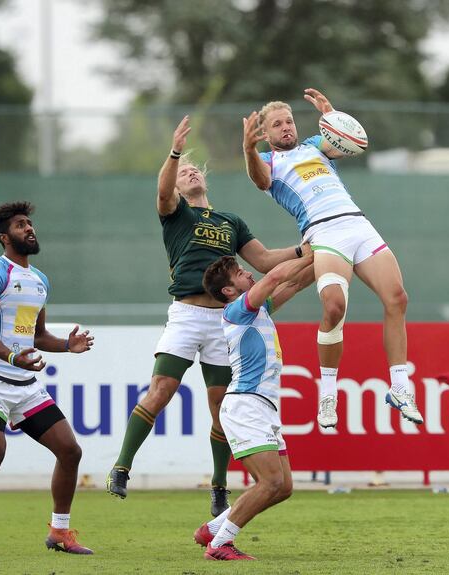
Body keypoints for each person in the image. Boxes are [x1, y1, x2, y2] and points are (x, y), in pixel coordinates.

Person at [106, 116, 307, 517]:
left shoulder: (230, 221)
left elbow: (265, 260)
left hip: (225, 321)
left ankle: (218, 487)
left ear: (206, 181)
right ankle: (122, 466)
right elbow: (162, 193)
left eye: (194, 169)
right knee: (161, 390)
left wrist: (305, 248)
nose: (190, 172)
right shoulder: (176, 213)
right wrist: (174, 152)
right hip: (186, 314)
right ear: (177, 185)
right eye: (183, 172)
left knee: (221, 408)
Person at [242, 88, 422, 429]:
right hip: (323, 232)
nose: (286, 128)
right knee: (334, 305)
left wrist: (332, 116)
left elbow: (345, 141)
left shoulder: (312, 146)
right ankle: (328, 394)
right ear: (266, 134)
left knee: (397, 298)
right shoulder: (268, 162)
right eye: (278, 124)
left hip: (357, 223)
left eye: (289, 121)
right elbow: (259, 179)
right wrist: (249, 148)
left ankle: (400, 387)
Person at [0, 202, 95, 557]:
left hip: (26, 388)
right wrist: (11, 356)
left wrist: (66, 344)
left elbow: (37, 335)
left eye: (30, 223)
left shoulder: (39, 280)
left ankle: (59, 533)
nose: (29, 228)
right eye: (20, 225)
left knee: (70, 450)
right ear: (5, 237)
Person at [193, 249, 315, 560]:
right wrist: (310, 250)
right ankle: (220, 544)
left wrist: (331, 254)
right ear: (228, 291)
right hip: (246, 406)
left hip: (263, 407)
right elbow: (276, 276)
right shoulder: (236, 310)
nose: (250, 274)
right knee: (270, 481)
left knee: (283, 487)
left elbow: (296, 282)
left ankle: (213, 528)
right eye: (241, 274)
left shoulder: (258, 309)